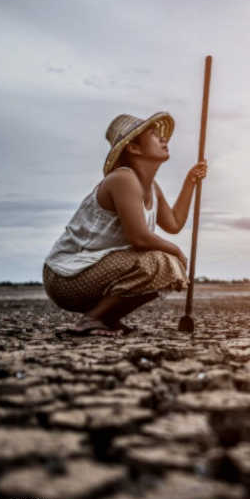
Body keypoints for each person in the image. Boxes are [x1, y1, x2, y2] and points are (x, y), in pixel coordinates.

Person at [43, 112, 207, 336]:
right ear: (134, 148)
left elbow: (174, 223)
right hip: (65, 277)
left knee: (168, 264)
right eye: (153, 135)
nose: (163, 139)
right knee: (162, 263)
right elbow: (138, 238)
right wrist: (177, 251)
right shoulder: (123, 179)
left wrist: (191, 182)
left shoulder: (152, 187)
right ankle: (91, 319)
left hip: (94, 269)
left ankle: (107, 319)